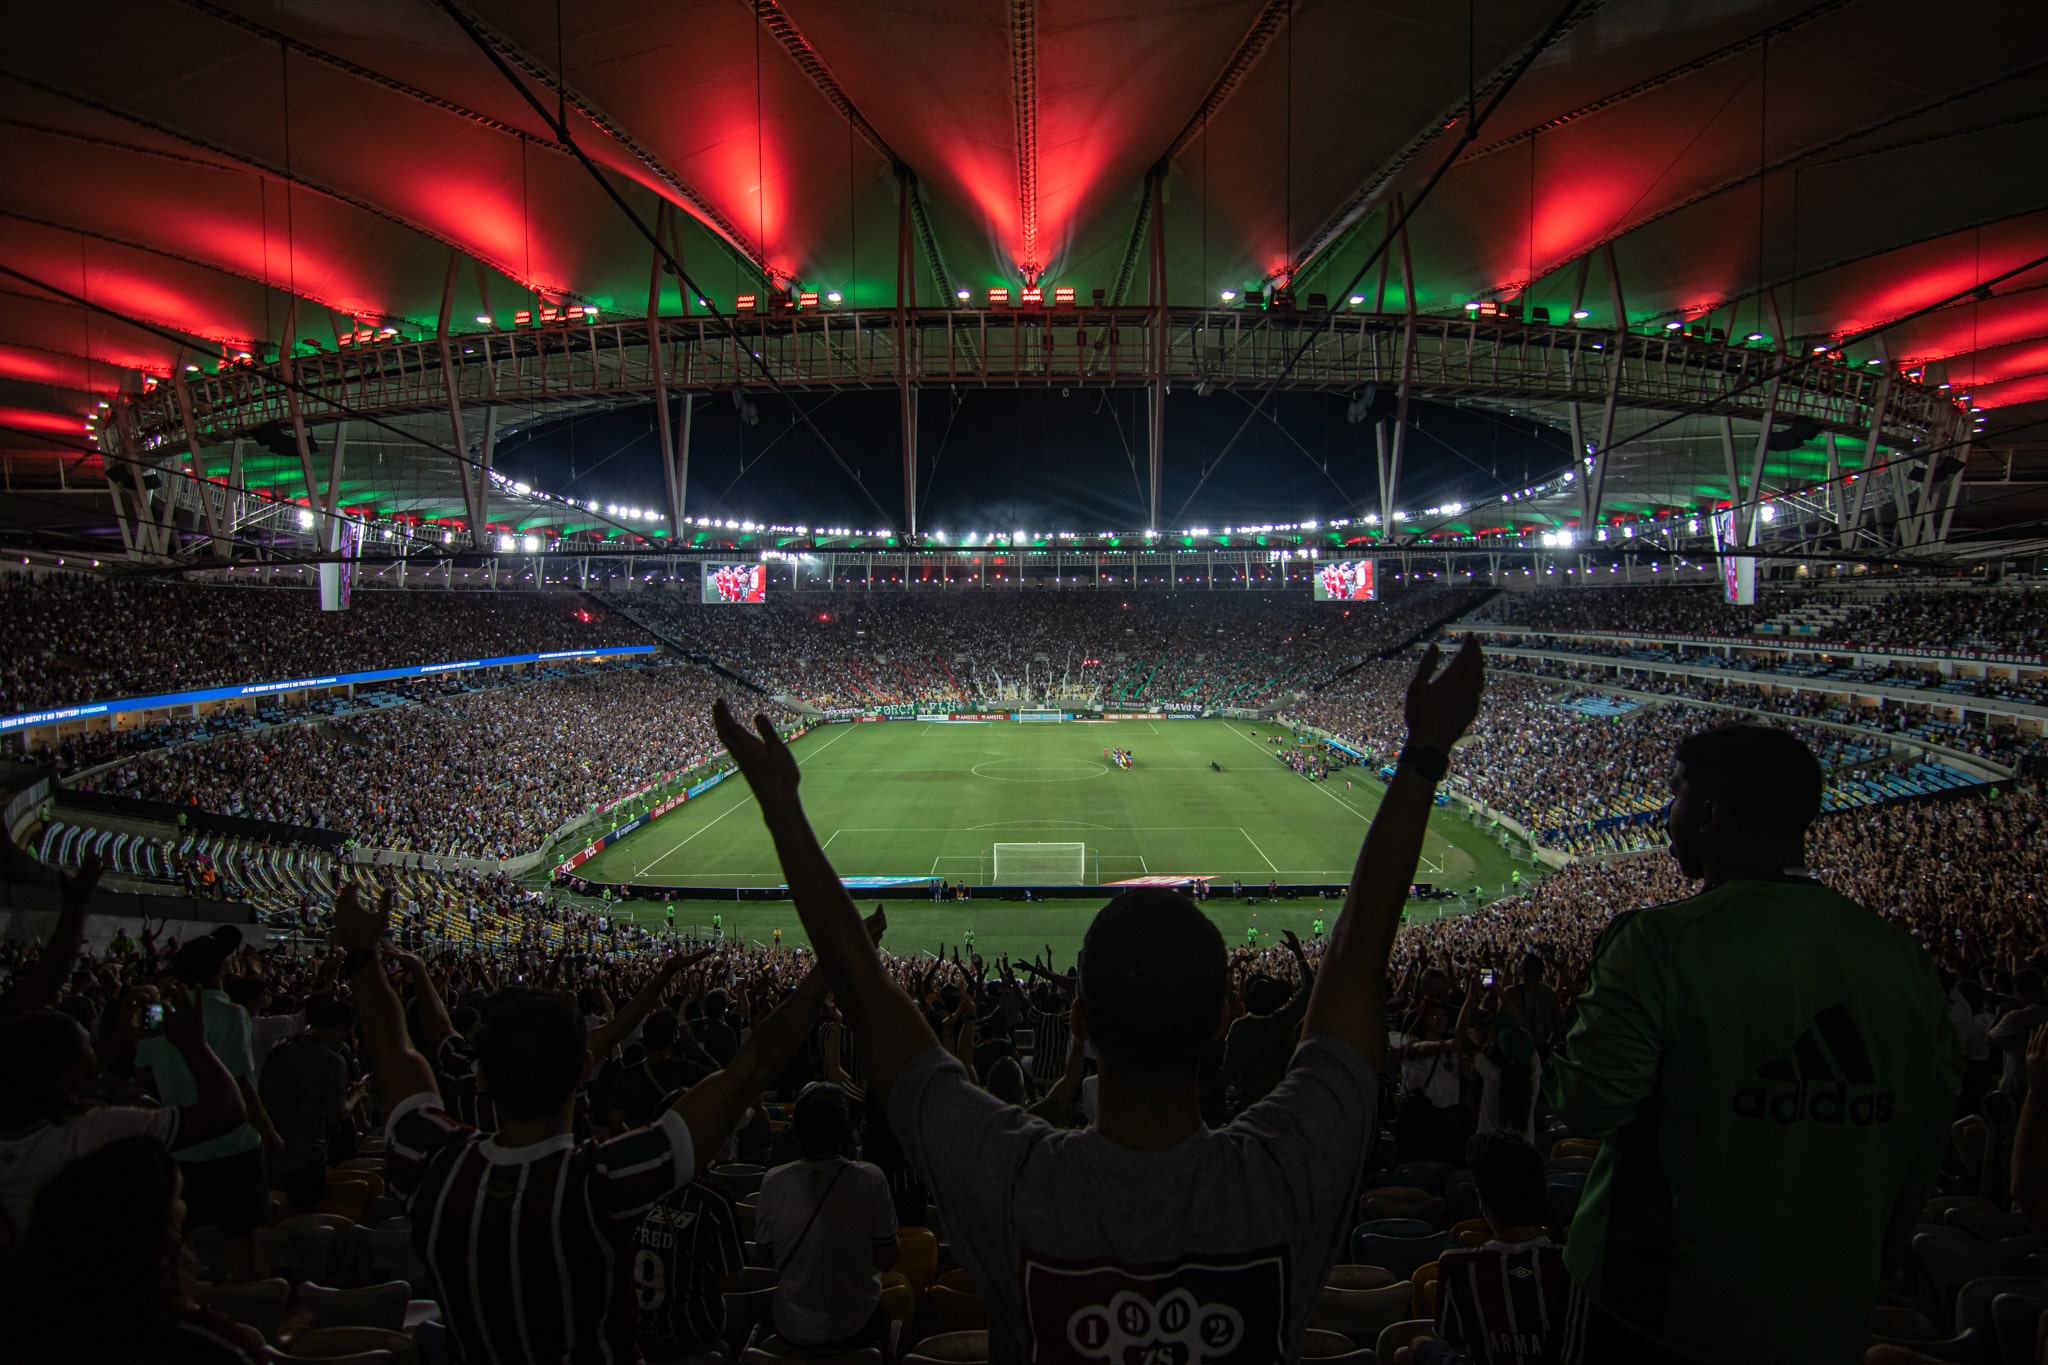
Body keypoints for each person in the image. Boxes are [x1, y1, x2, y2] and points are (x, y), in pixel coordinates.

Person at [710, 635, 1485, 1360]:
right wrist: (1423, 755)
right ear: (1223, 1018)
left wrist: (782, 806)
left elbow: (868, 990)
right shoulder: (1285, 1173)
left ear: (1077, 1017)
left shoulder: (1011, 1178)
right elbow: (1354, 962)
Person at [1547, 725, 1961, 1365]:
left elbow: (1587, 1105)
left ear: (1709, 813)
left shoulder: (1660, 942)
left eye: (1676, 796)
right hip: (1829, 1309)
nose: (1668, 815)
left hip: (1658, 1303)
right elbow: (1926, 1134)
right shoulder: (1904, 961)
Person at [331, 883, 839, 1365]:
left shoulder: (430, 1163)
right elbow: (750, 1067)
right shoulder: (603, 1182)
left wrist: (361, 956)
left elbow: (392, 1045)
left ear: (480, 1075)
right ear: (584, 1070)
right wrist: (831, 967)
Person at [0, 1136, 268, 1364]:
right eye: (177, 1198)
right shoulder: (196, 1341)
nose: (185, 1209)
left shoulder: (29, 1332)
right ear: (157, 1231)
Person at [0, 993, 244, 1241]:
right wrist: (194, 1044)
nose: (95, 1051)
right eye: (88, 1044)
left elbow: (73, 1081)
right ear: (69, 1073)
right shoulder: (92, 1134)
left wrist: (119, 1036)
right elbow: (226, 1112)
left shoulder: (17, 1132)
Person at [133, 926, 278, 1282]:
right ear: (222, 969)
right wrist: (270, 1135)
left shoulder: (157, 1013)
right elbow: (242, 1084)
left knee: (182, 1232)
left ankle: (181, 1300)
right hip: (233, 1144)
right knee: (239, 1235)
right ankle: (246, 1309)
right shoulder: (232, 1015)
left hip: (180, 1139)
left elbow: (142, 1077)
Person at [755, 1084, 899, 1350]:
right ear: (845, 1132)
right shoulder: (871, 1179)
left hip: (793, 1328)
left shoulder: (773, 1182)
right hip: (859, 1327)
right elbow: (887, 1259)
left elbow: (767, 1254)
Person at [1405, 1136, 1568, 1365]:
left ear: (1481, 1201)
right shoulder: (1571, 1265)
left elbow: (1454, 1343)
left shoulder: (1457, 1267)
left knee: (1418, 1346)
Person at [257, 995, 364, 1212]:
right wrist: (356, 1096)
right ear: (338, 1029)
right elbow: (336, 1114)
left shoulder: (280, 1050)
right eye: (345, 1033)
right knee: (307, 1214)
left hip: (272, 1149)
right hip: (307, 1153)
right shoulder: (334, 1061)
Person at [1218, 931, 1315, 1116]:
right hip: (1282, 1103)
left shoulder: (1239, 1028)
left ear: (1248, 1000)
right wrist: (1298, 953)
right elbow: (1310, 987)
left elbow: (1228, 1072)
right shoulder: (1283, 1020)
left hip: (1249, 1106)